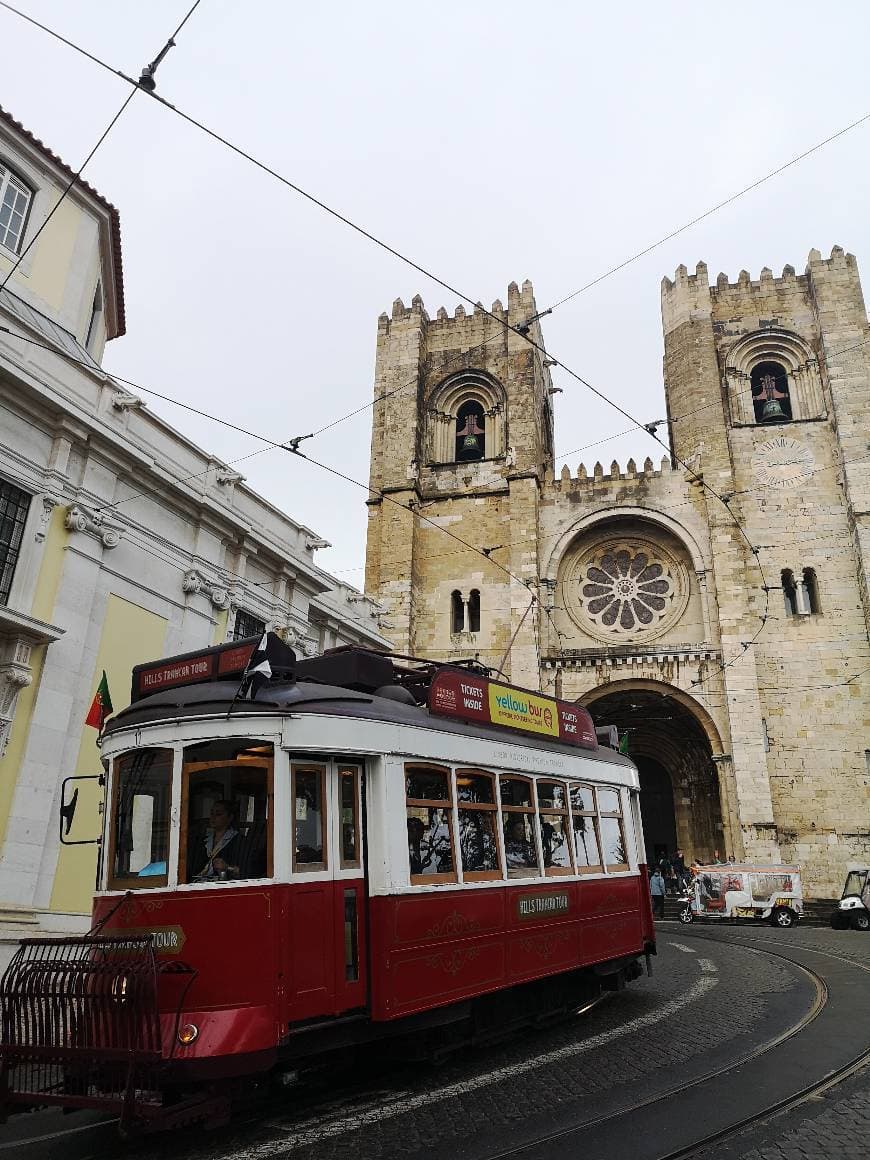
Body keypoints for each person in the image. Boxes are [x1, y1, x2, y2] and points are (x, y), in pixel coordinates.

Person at [193, 799, 241, 880]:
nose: (213, 817)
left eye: (218, 814)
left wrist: (227, 867)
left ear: (230, 818)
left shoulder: (238, 841)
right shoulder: (203, 840)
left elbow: (243, 872)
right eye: (212, 813)